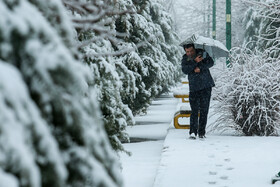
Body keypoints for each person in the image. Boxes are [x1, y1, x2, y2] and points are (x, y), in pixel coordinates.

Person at [181, 43, 215, 139]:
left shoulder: (203, 53)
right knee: (194, 110)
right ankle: (192, 132)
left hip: (206, 85)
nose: (189, 53)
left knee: (204, 110)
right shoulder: (185, 58)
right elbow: (185, 69)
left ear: (194, 49)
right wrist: (195, 62)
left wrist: (201, 66)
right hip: (194, 87)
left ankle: (201, 132)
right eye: (187, 51)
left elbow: (211, 63)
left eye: (191, 51)